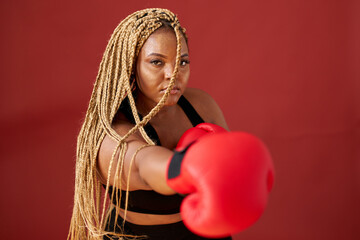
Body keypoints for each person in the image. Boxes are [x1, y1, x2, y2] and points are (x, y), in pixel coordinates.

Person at [68, 8, 274, 240]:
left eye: (182, 62)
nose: (173, 74)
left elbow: (231, 176)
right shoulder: (113, 135)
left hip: (206, 234)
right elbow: (144, 167)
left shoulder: (200, 105)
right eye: (157, 62)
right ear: (131, 66)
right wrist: (190, 166)